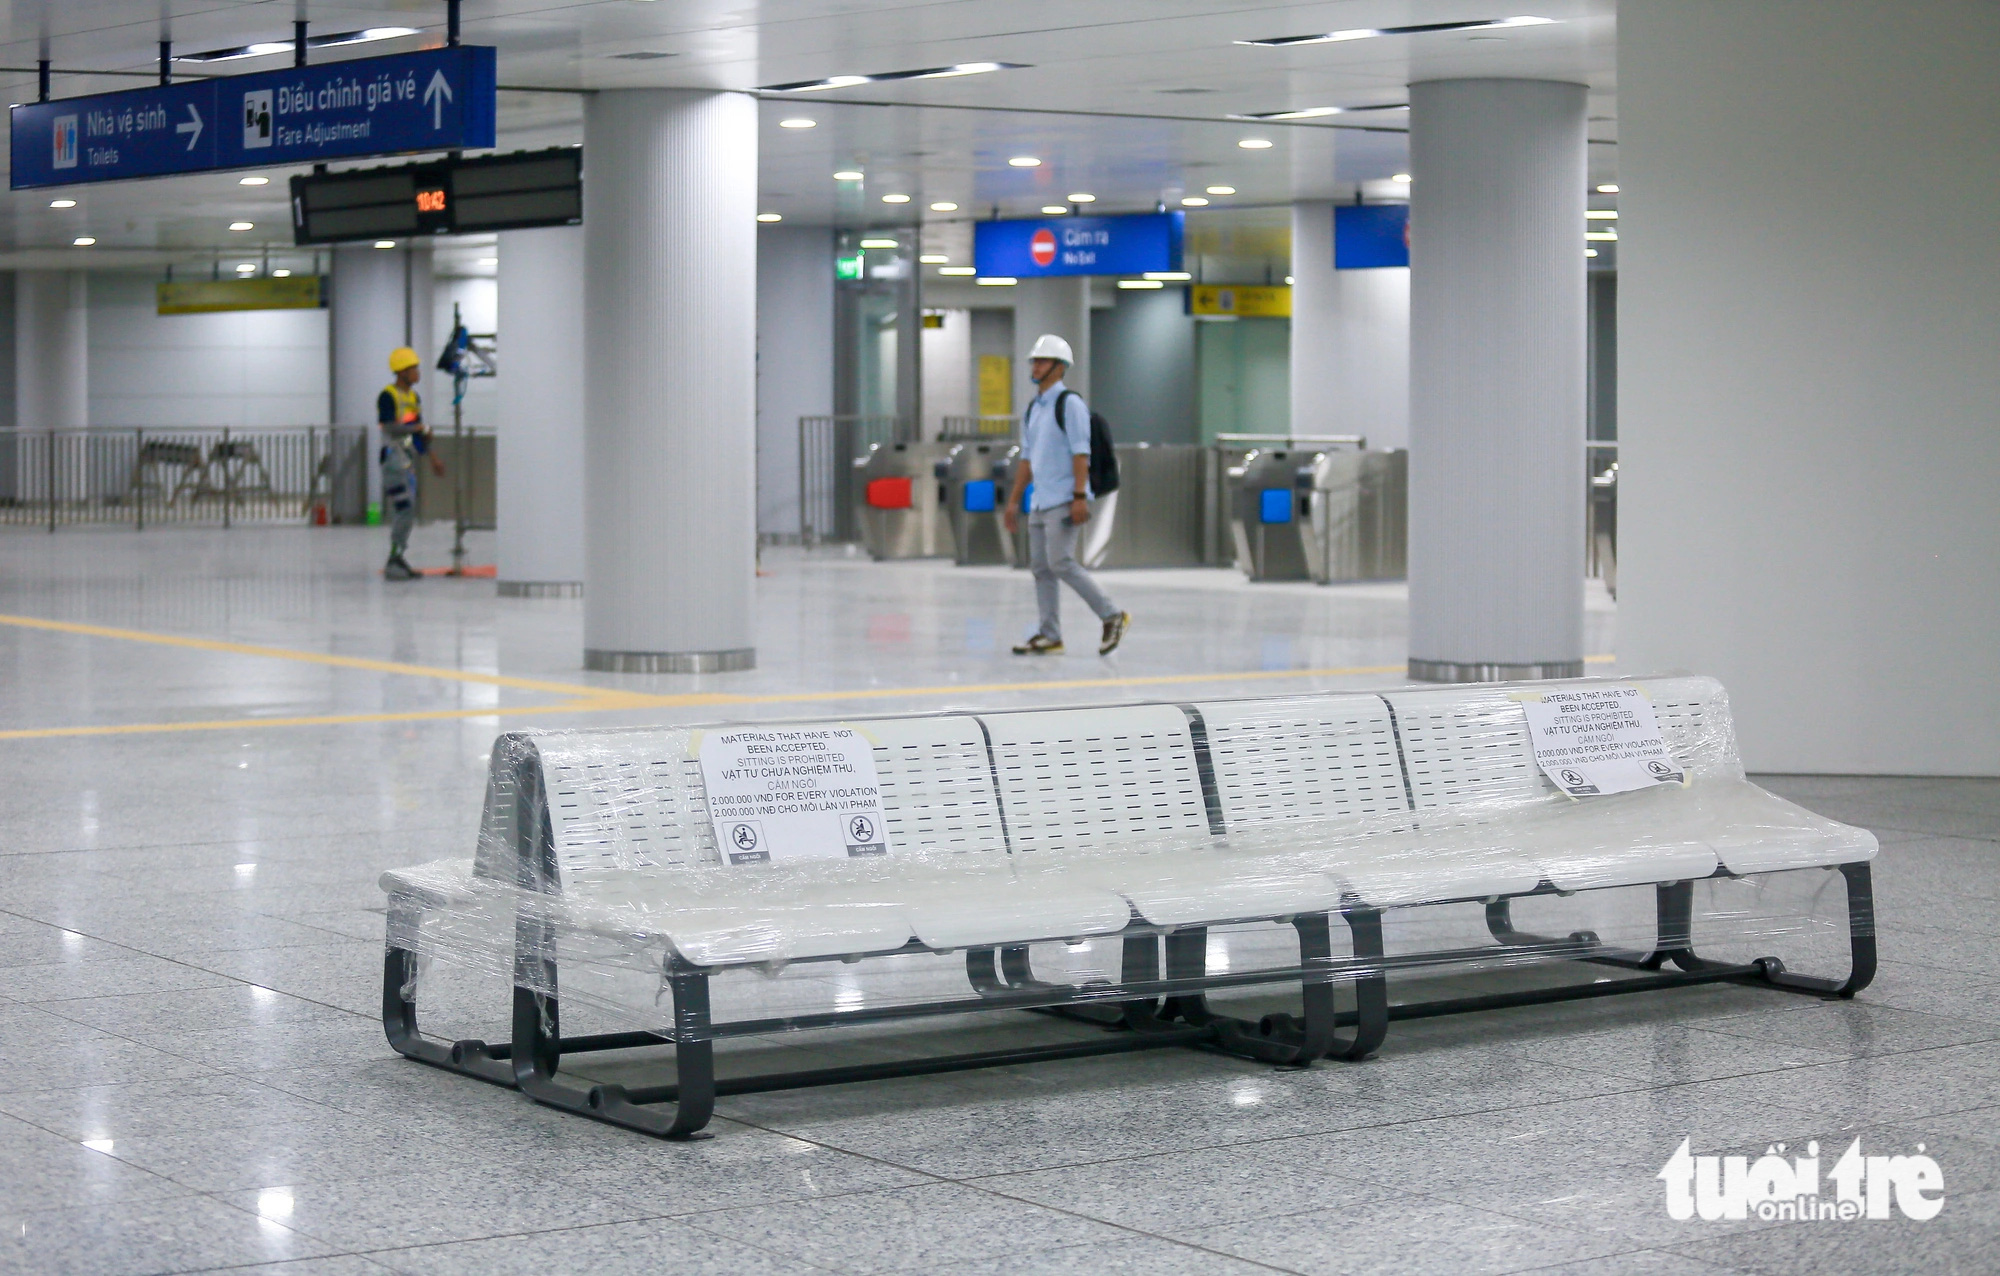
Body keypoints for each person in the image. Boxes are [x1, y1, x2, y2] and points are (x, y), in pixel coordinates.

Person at [1003, 334, 1131, 655]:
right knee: (1041, 568)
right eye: (1034, 360)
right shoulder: (1034, 408)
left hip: (1065, 497)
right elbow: (1027, 460)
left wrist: (1078, 496)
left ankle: (1111, 615)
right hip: (1040, 500)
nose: (1035, 366)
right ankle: (1050, 634)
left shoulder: (1069, 404)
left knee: (1060, 562)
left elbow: (1080, 453)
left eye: (1042, 361)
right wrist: (1014, 500)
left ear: (1060, 368)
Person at [378, 346, 444, 581]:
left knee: (407, 510)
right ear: (401, 372)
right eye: (413, 368)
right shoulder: (388, 396)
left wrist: (432, 456)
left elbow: (418, 435)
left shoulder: (413, 398)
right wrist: (416, 427)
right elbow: (388, 426)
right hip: (393, 461)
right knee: (404, 509)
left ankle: (398, 557)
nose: (418, 373)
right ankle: (393, 560)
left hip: (407, 460)